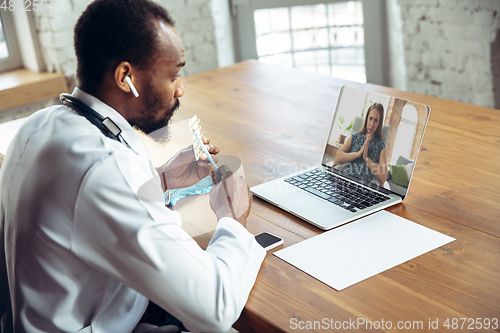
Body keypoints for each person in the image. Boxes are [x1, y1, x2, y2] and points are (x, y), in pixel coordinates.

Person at [0, 1, 266, 332]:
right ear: (126, 77)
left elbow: (80, 204)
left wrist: (161, 179)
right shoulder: (104, 165)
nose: (181, 88)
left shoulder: (40, 124)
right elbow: (216, 307)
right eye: (174, 74)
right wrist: (232, 218)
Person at [333, 103, 388, 185]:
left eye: (376, 120)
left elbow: (383, 177)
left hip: (364, 187)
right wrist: (358, 154)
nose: (372, 124)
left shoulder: (381, 145)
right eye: (370, 118)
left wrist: (366, 158)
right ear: (366, 119)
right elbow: (337, 159)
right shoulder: (355, 137)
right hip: (346, 181)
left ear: (379, 124)